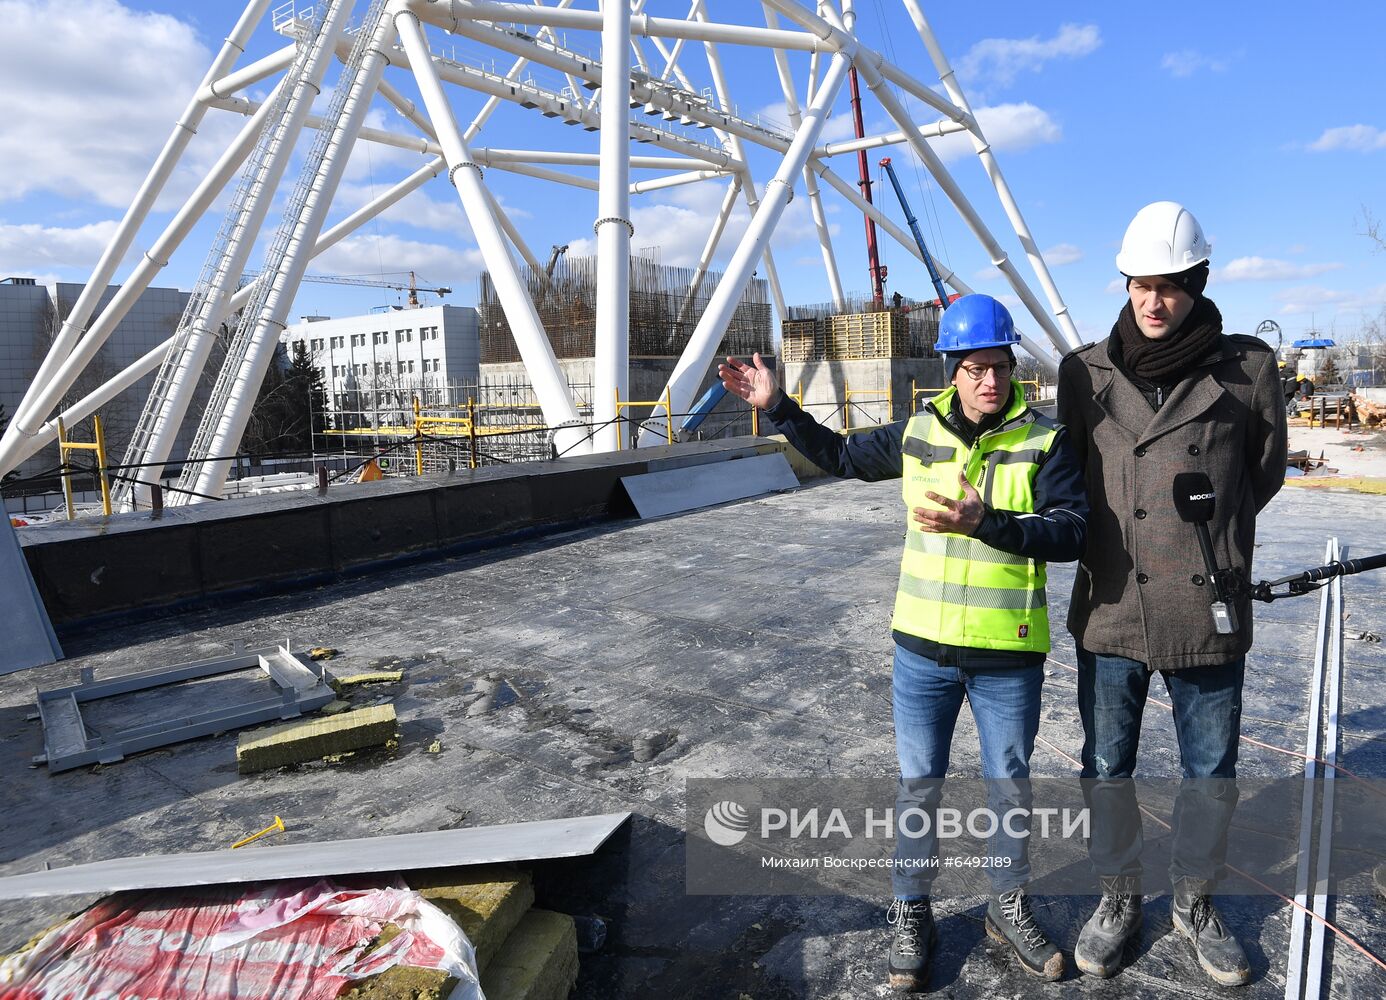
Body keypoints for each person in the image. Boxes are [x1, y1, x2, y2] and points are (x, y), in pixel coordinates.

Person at [720, 294, 1088, 991]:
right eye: (975, 367)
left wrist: (991, 522)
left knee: (1008, 785)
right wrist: (779, 406)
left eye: (999, 367)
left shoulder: (1046, 439)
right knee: (918, 788)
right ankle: (910, 908)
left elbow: (1070, 530)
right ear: (952, 369)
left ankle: (1007, 907)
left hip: (1008, 656)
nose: (989, 381)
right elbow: (839, 456)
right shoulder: (916, 433)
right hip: (922, 651)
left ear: (1013, 369)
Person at [1057, 202, 1288, 987]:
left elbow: (1260, 475)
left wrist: (1210, 542)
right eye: (1138, 285)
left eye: (1169, 287)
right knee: (1107, 767)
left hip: (1207, 606)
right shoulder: (1082, 372)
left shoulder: (1247, 369)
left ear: (1197, 284)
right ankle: (1118, 897)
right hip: (1114, 604)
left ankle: (1193, 902)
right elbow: (1070, 482)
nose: (1152, 303)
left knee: (1209, 770)